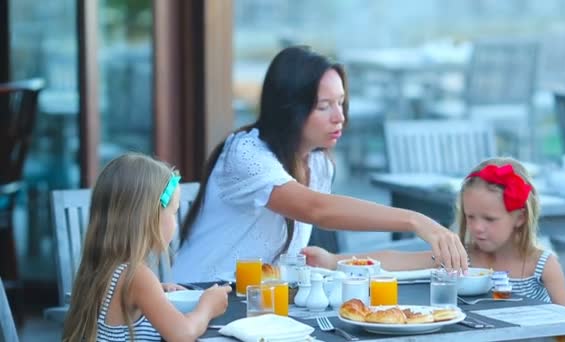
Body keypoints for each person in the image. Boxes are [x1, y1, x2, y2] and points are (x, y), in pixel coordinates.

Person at [172, 45, 467, 283]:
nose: (339, 116)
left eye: (341, 102)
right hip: (196, 301)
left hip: (258, 305)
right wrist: (416, 220)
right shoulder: (246, 153)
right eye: (324, 106)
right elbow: (317, 210)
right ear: (291, 109)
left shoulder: (318, 162)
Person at [302, 157, 565, 307]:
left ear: (519, 218)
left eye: (490, 219)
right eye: (470, 216)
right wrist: (332, 259)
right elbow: (396, 260)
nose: (477, 227)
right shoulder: (462, 257)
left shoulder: (541, 265)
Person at [62, 153, 231, 342]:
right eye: (173, 212)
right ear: (149, 217)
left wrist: (156, 290)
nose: (176, 223)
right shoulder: (136, 276)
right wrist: (207, 306)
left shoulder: (103, 268)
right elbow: (183, 334)